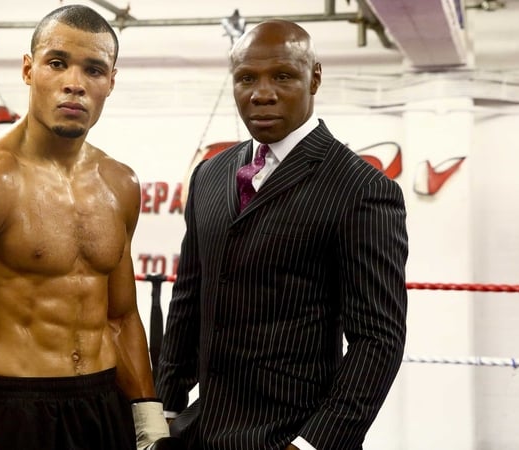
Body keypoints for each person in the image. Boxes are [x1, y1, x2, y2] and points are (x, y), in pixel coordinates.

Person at [0, 5, 172, 450]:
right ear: (29, 69)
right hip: (15, 412)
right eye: (57, 63)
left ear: (111, 82)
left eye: (94, 70)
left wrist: (147, 414)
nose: (75, 84)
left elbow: (120, 316)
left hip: (105, 407)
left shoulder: (121, 183)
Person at [155, 19, 408, 450]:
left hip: (291, 435)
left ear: (315, 77)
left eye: (283, 76)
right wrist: (165, 410)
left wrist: (311, 443)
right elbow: (188, 298)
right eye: (246, 78)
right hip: (202, 432)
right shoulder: (210, 175)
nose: (262, 93)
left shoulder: (361, 188)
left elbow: (378, 340)